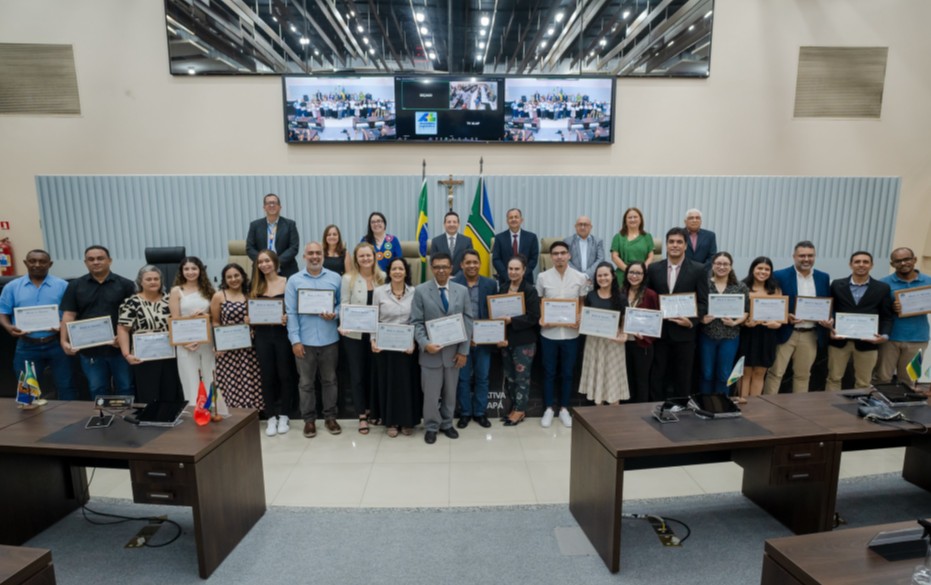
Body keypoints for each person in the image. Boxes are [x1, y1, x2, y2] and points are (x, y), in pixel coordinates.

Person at [411, 252, 473, 444]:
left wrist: (463, 351)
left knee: (450, 393)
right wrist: (424, 343)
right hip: (431, 354)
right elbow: (416, 322)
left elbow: (468, 320)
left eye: (445, 266)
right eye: (437, 267)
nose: (441, 270)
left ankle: (447, 423)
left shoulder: (461, 291)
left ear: (451, 268)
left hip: (454, 354)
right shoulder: (421, 291)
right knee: (430, 395)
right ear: (431, 268)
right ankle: (431, 426)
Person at [60, 245, 136, 398]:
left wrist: (123, 338)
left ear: (109, 260)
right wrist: (64, 341)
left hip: (119, 349)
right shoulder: (75, 286)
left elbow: (135, 316)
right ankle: (103, 419)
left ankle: (126, 419)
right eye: (91, 259)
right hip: (90, 351)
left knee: (126, 387)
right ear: (85, 262)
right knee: (97, 389)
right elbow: (69, 314)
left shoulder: (126, 284)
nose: (96, 262)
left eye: (100, 258)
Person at [0, 249, 76, 399]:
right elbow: (2, 312)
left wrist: (62, 325)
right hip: (27, 345)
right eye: (32, 261)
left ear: (50, 264)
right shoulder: (12, 287)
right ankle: (33, 421)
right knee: (28, 390)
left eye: (42, 261)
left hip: (57, 343)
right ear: (25, 263)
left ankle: (70, 420)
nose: (37, 264)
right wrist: (8, 327)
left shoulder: (62, 285)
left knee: (66, 386)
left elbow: (72, 311)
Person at [286, 242, 343, 438]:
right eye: (311, 253)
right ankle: (309, 420)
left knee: (330, 381)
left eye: (318, 253)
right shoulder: (294, 280)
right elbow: (291, 312)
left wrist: (334, 314)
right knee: (306, 383)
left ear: (323, 256)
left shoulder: (335, 278)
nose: (315, 257)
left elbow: (343, 305)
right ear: (304, 256)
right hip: (305, 341)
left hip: (330, 340)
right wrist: (295, 340)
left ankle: (330, 417)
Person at [644, 228, 709, 400]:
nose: (675, 245)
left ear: (686, 245)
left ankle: (682, 411)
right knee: (658, 374)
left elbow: (704, 302)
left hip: (685, 334)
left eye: (679, 242)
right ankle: (656, 408)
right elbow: (647, 300)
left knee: (683, 377)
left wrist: (691, 321)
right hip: (659, 333)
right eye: (671, 241)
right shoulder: (653, 269)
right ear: (666, 245)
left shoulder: (699, 269)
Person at [764, 241, 831, 394]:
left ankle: (799, 410)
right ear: (794, 256)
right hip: (787, 332)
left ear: (814, 257)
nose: (806, 259)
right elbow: (772, 304)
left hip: (811, 334)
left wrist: (829, 319)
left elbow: (827, 303)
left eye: (810, 255)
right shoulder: (780, 275)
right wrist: (785, 316)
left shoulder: (823, 277)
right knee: (775, 373)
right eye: (802, 255)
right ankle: (766, 409)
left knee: (803, 375)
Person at [535, 240, 587, 427]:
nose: (559, 257)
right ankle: (549, 408)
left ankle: (564, 409)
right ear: (550, 257)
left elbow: (582, 302)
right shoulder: (542, 277)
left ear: (569, 255)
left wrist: (579, 316)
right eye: (555, 253)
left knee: (567, 373)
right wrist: (541, 317)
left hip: (572, 334)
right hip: (549, 333)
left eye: (563, 253)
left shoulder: (580, 277)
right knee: (549, 372)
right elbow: (540, 302)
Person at [826, 251, 894, 390]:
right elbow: (830, 310)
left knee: (863, 382)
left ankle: (858, 409)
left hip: (868, 343)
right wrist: (829, 329)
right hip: (839, 342)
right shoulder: (837, 285)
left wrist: (884, 336)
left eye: (865, 262)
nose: (861, 265)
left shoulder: (882, 288)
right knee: (833, 378)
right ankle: (830, 408)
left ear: (871, 265)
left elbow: (887, 316)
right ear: (851, 264)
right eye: (857, 262)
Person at [249, 250, 298, 436]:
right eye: (260, 261)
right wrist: (249, 318)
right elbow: (252, 312)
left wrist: (287, 316)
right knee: (267, 375)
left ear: (275, 262)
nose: (264, 264)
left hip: (282, 334)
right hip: (262, 336)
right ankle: (270, 416)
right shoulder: (254, 285)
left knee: (285, 375)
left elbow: (294, 308)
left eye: (267, 260)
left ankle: (284, 414)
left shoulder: (287, 282)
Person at [117, 265, 181, 403]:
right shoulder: (131, 302)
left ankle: (170, 421)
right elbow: (123, 329)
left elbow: (180, 323)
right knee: (148, 394)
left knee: (170, 391)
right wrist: (127, 354)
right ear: (140, 282)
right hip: (143, 356)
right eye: (149, 279)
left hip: (169, 355)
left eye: (156, 279)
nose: (153, 282)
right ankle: (150, 422)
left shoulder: (170, 300)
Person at [371, 256, 419, 437]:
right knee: (389, 384)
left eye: (401, 268)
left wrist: (413, 342)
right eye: (394, 269)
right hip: (385, 348)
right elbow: (373, 319)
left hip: (407, 347)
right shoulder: (379, 292)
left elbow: (416, 319)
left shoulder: (415, 292)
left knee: (407, 385)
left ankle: (407, 421)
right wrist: (373, 341)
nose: (397, 272)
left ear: (406, 272)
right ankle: (390, 421)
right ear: (389, 273)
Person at [339, 242, 384, 434]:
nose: (366, 259)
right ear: (356, 259)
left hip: (377, 334)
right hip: (354, 335)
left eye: (369, 255)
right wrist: (343, 324)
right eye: (362, 256)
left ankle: (374, 410)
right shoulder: (348, 278)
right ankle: (361, 415)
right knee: (357, 375)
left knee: (374, 373)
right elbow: (344, 305)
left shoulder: (383, 278)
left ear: (374, 257)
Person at [452, 249, 498, 428]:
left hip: (484, 340)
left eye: (475, 262)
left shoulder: (490, 284)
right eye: (468, 262)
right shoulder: (454, 284)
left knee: (482, 377)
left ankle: (480, 412)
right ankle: (465, 412)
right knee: (463, 379)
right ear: (462, 265)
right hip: (461, 340)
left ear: (480, 264)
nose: (472, 265)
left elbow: (495, 312)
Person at [210, 264, 262, 411]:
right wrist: (218, 344)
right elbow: (215, 321)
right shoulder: (219, 296)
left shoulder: (251, 294)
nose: (233, 279)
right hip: (228, 349)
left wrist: (252, 324)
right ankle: (234, 413)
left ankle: (252, 414)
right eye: (229, 277)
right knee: (231, 381)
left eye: (236, 275)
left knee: (252, 380)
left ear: (243, 276)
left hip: (249, 348)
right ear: (224, 279)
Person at [877, 247, 931, 386]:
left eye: (906, 259)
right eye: (898, 261)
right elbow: (878, 308)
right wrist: (892, 307)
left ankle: (906, 407)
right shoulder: (883, 283)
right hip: (890, 338)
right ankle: (880, 406)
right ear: (892, 264)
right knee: (883, 378)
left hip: (918, 338)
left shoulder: (928, 281)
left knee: (909, 380)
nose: (903, 263)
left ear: (914, 260)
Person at [497, 255, 540, 426]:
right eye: (510, 269)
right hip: (506, 341)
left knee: (522, 377)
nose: (513, 272)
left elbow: (534, 317)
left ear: (524, 270)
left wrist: (511, 321)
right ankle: (514, 408)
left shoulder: (530, 290)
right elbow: (496, 314)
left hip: (524, 342)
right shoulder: (503, 288)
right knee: (510, 377)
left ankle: (520, 410)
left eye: (517, 269)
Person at [578, 262, 629, 405]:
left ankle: (613, 422)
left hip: (613, 343)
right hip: (594, 342)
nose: (602, 278)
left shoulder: (621, 297)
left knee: (613, 379)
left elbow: (625, 319)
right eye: (599, 275)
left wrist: (623, 335)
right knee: (597, 379)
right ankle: (599, 420)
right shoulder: (591, 295)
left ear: (613, 276)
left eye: (606, 275)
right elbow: (586, 316)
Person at [699, 252, 748, 395]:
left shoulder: (740, 287)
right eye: (718, 264)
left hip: (730, 336)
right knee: (706, 373)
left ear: (731, 267)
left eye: (725, 264)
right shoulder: (704, 284)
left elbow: (746, 311)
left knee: (724, 374)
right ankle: (705, 404)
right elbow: (695, 305)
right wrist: (702, 319)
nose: (722, 267)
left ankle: (721, 404)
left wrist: (735, 322)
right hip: (707, 335)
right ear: (712, 266)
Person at [169, 256, 216, 403]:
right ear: (181, 271)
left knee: (210, 375)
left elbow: (216, 317)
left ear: (200, 270)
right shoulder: (176, 291)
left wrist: (205, 315)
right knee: (190, 379)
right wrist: (184, 343)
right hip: (185, 343)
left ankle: (212, 409)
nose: (190, 272)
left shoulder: (210, 289)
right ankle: (194, 413)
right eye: (186, 269)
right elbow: (174, 320)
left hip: (206, 341)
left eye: (194, 268)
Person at [738, 257, 782, 399]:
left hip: (767, 335)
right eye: (759, 268)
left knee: (759, 372)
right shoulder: (742, 287)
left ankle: (754, 406)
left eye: (766, 269)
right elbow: (736, 313)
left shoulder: (775, 289)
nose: (763, 272)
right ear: (753, 269)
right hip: (747, 334)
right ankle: (742, 404)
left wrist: (778, 323)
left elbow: (780, 314)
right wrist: (745, 323)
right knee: (745, 372)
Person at [622, 261, 659, 403]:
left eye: (638, 273)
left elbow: (657, 320)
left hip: (642, 345)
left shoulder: (650, 295)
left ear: (644, 275)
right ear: (626, 274)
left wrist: (646, 335)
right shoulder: (620, 292)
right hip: (623, 343)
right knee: (626, 380)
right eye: (631, 272)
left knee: (641, 381)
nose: (634, 276)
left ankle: (640, 414)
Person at [246, 193, 301, 277]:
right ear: (264, 207)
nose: (271, 205)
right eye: (268, 203)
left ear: (280, 207)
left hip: (286, 268)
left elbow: (294, 247)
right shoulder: (255, 225)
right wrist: (264, 262)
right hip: (262, 269)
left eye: (274, 203)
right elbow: (249, 248)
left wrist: (276, 262)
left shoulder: (290, 224)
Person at [492, 208, 539, 287]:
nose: (513, 219)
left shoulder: (531, 237)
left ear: (521, 220)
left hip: (526, 280)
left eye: (516, 217)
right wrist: (507, 275)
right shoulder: (499, 238)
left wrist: (521, 274)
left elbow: (533, 259)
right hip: (505, 280)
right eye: (511, 217)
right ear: (507, 221)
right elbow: (496, 259)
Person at [610, 207, 655, 285]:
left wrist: (640, 270)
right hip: (622, 275)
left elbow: (651, 256)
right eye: (630, 217)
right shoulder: (618, 237)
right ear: (625, 221)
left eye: (635, 217)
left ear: (640, 219)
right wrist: (629, 271)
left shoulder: (647, 237)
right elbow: (614, 257)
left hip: (642, 275)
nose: (632, 219)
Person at [430, 211, 474, 275]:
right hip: (442, 276)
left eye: (454, 222)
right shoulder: (436, 241)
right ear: (444, 224)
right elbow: (433, 262)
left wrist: (458, 277)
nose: (452, 224)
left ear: (458, 224)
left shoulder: (467, 241)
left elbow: (469, 261)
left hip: (462, 278)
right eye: (449, 222)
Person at [566, 215, 605, 282]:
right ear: (575, 226)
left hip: (591, 279)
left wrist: (587, 275)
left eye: (585, 225)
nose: (582, 227)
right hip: (572, 279)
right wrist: (578, 275)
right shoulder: (567, 241)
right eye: (580, 224)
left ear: (591, 227)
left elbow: (600, 259)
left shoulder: (598, 241)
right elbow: (566, 260)